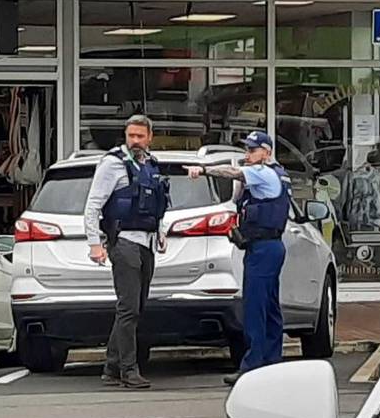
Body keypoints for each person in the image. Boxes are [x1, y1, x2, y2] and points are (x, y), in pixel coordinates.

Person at [186, 130, 290, 386]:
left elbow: (233, 173)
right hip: (270, 246)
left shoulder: (263, 172)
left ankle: (252, 365)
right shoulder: (277, 174)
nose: (248, 155)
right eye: (247, 150)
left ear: (267, 152)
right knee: (270, 307)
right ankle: (272, 360)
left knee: (255, 307)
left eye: (253, 150)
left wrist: (204, 170)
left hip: (263, 249)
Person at [84, 115, 169, 390]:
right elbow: (93, 205)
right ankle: (128, 370)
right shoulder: (112, 164)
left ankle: (111, 367)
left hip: (147, 243)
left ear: (150, 137)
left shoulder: (152, 165)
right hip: (123, 242)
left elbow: (159, 206)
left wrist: (161, 232)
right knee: (129, 308)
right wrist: (95, 243)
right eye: (131, 135)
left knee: (135, 308)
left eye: (140, 136)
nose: (135, 141)